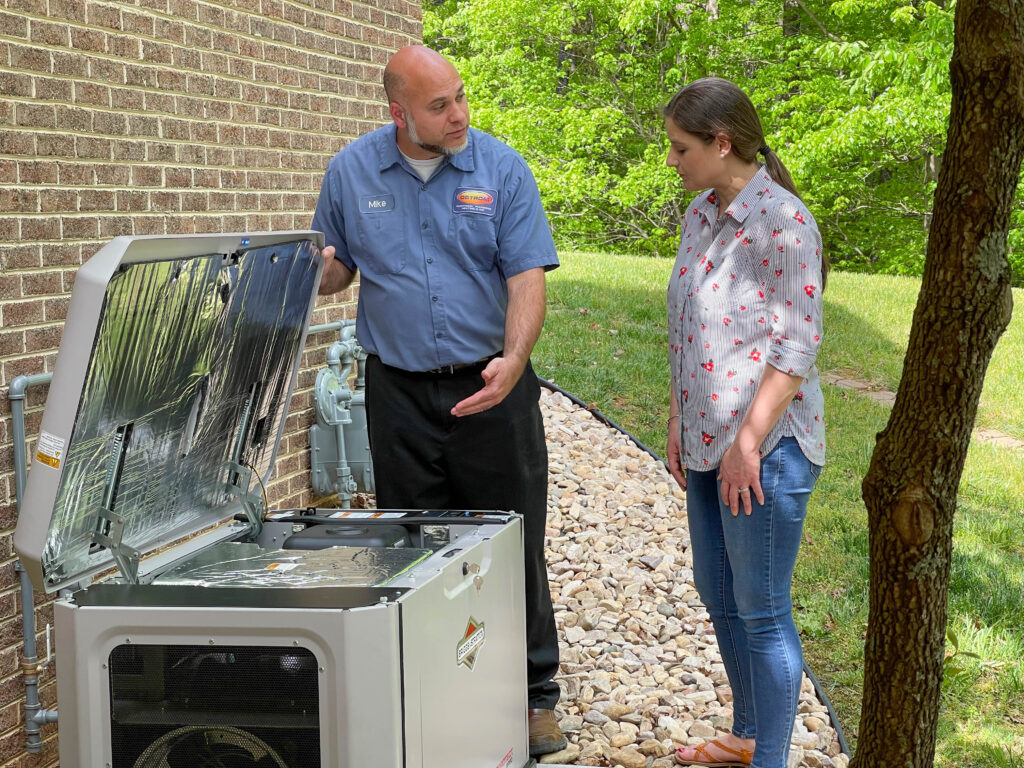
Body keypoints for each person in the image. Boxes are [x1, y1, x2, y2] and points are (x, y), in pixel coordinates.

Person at [310, 45, 566, 757]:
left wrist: (513, 362)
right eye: (438, 105)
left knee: (514, 543)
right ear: (398, 113)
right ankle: (434, 687)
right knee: (412, 547)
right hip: (397, 392)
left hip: (493, 389)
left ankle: (534, 695)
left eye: (459, 96)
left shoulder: (500, 167)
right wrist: (319, 270)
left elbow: (525, 275)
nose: (459, 114)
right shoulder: (351, 172)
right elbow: (337, 273)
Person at [663, 78, 826, 768]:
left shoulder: (783, 223)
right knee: (715, 586)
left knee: (761, 607)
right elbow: (688, 323)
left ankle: (771, 759)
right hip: (706, 439)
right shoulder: (701, 213)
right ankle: (749, 732)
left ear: (721, 142)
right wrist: (677, 414)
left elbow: (795, 350)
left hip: (767, 447)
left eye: (681, 148)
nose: (672, 161)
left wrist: (748, 443)